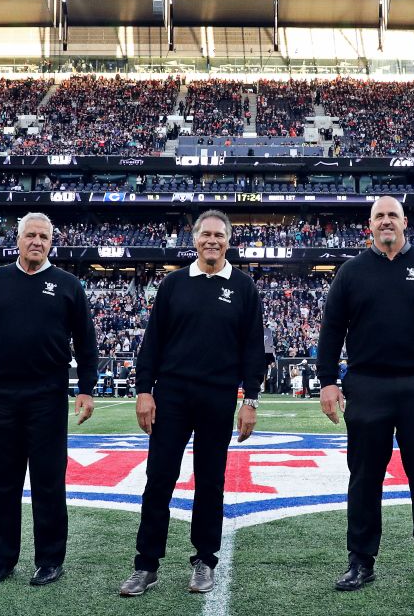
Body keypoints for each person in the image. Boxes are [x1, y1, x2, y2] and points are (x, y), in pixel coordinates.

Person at [317, 196, 414, 593]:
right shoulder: (350, 273)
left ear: (406, 222)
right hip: (366, 386)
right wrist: (328, 381)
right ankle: (360, 562)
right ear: (369, 225)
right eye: (379, 216)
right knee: (365, 478)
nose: (387, 222)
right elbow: (331, 330)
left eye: (393, 216)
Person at [119, 210, 266, 598]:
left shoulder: (244, 287)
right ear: (195, 239)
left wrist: (250, 399)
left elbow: (253, 350)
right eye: (205, 235)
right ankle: (145, 565)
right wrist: (144, 391)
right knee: (159, 479)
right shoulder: (173, 284)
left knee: (211, 483)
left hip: (218, 397)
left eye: (219, 235)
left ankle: (204, 560)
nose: (212, 240)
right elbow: (152, 343)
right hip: (171, 396)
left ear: (229, 241)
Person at [0, 212, 99, 587]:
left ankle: (50, 559)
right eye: (30, 235)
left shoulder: (68, 284)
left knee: (48, 481)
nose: (36, 242)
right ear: (18, 239)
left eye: (43, 237)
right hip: (2, 395)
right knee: (2, 481)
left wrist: (86, 388)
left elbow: (87, 342)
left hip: (48, 396)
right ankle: (3, 558)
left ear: (51, 243)